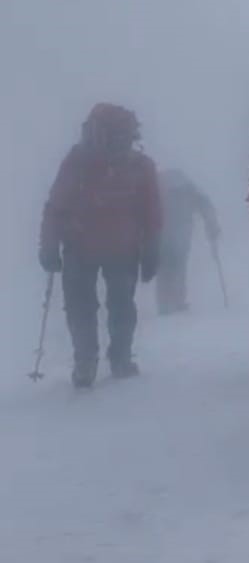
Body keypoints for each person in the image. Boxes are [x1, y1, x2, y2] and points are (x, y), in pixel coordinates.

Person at [39, 103, 162, 388]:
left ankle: (94, 360)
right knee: (115, 305)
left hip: (89, 246)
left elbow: (55, 207)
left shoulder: (81, 161)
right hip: (110, 247)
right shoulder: (133, 165)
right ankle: (106, 359)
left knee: (91, 306)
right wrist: (151, 246)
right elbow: (151, 212)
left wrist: (49, 245)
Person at [155, 169, 220, 315]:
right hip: (180, 231)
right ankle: (177, 300)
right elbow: (206, 206)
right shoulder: (189, 189)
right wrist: (212, 226)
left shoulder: (159, 189)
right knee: (178, 264)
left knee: (165, 267)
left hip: (164, 233)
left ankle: (165, 303)